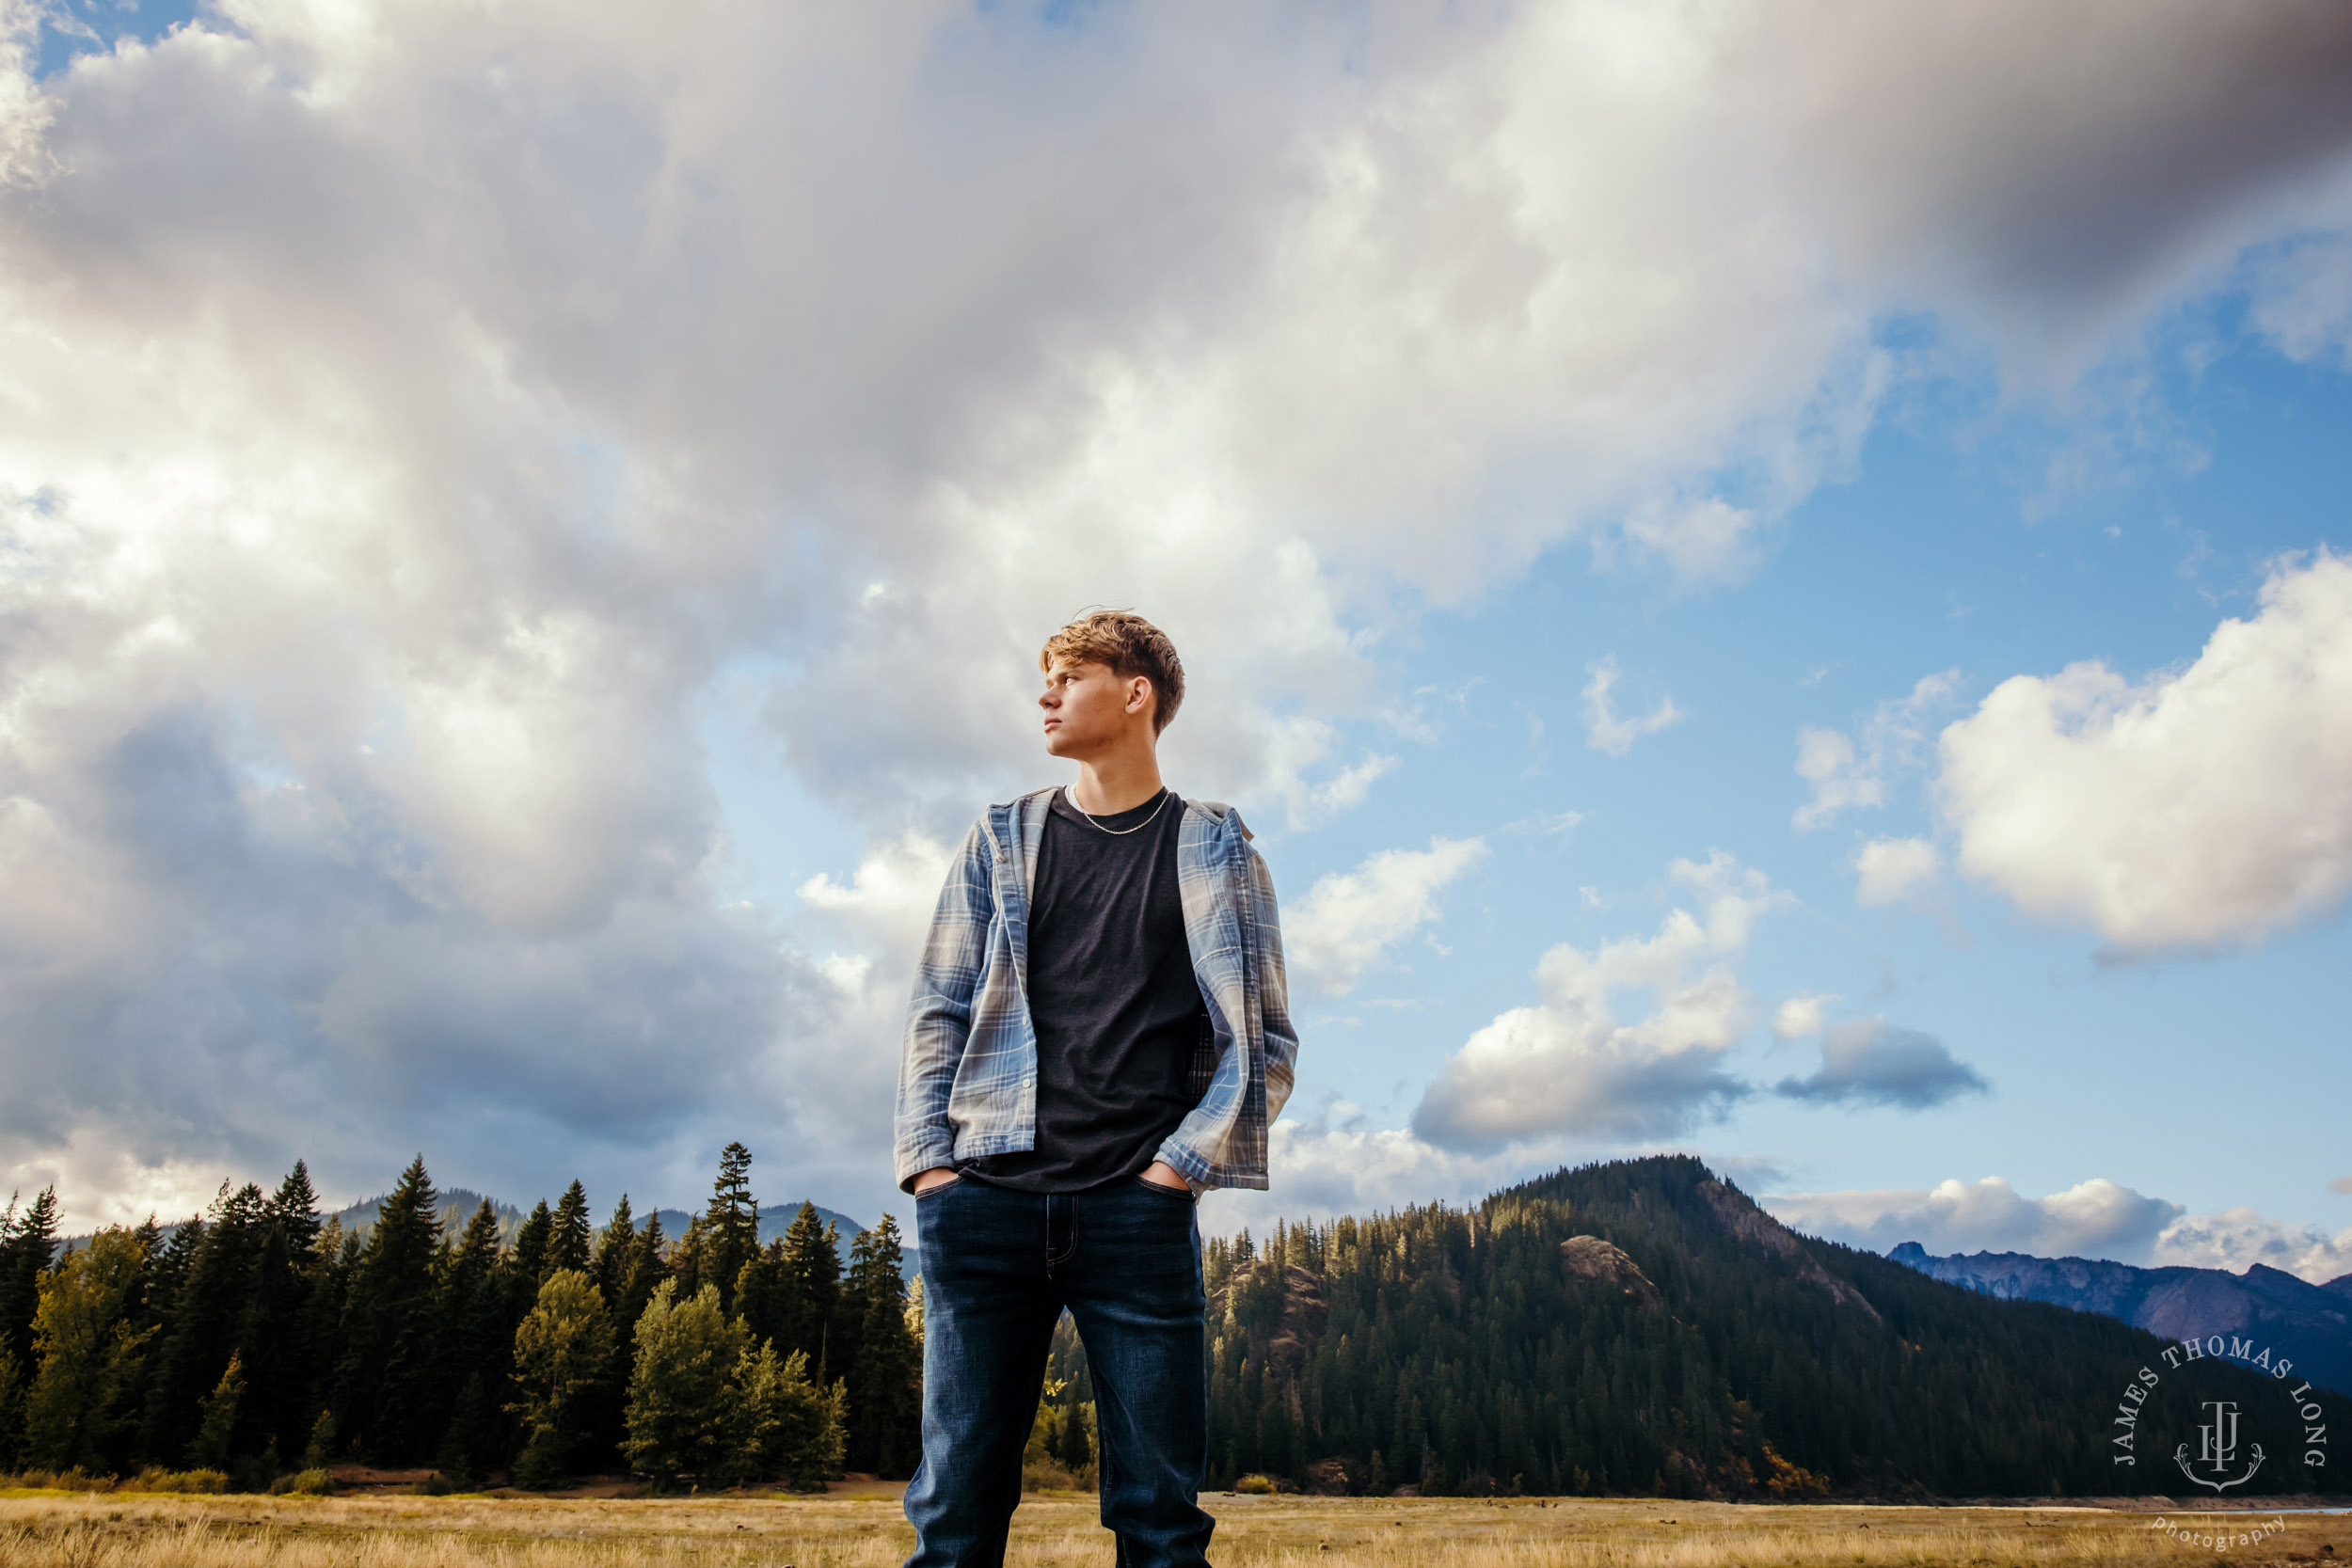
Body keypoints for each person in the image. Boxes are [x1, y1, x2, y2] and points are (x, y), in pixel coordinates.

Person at [895, 609, 1296, 1568]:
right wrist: (930, 1170)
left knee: (1160, 1519)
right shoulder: (1000, 837)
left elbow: (1264, 1039)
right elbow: (937, 1004)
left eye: (1067, 674)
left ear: (1134, 691)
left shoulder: (1217, 849)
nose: (1045, 693)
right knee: (952, 1514)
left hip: (1134, 1214)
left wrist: (1176, 1172)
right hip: (983, 1200)